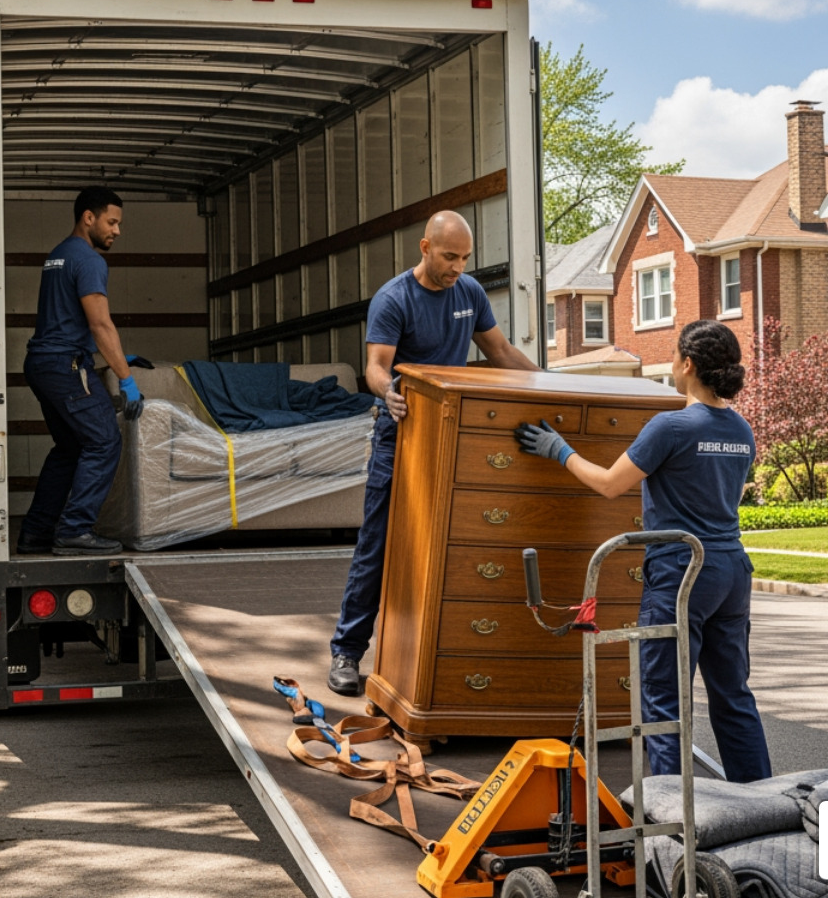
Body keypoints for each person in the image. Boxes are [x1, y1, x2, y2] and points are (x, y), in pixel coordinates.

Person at [513, 319, 772, 783]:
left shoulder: (670, 427)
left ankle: (666, 825)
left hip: (682, 573)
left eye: (675, 356)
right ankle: (763, 805)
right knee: (732, 695)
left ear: (687, 363)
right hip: (732, 571)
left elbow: (611, 485)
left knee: (663, 698)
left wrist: (560, 450)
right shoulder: (741, 430)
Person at [328, 210, 540, 696]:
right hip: (400, 429)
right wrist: (388, 392)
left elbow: (501, 353)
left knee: (458, 540)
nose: (458, 267)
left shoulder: (469, 293)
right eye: (449, 256)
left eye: (465, 258)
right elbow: (376, 368)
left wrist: (546, 385)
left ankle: (439, 653)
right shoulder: (393, 298)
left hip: (451, 429)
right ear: (425, 248)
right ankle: (346, 650)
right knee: (378, 544)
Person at [17, 186, 147, 557]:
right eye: (112, 222)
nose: (117, 231)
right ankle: (74, 530)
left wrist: (119, 358)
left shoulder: (58, 254)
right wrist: (126, 379)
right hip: (65, 366)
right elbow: (100, 325)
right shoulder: (90, 261)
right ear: (87, 218)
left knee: (70, 447)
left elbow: (64, 320)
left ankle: (36, 532)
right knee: (104, 440)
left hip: (43, 365)